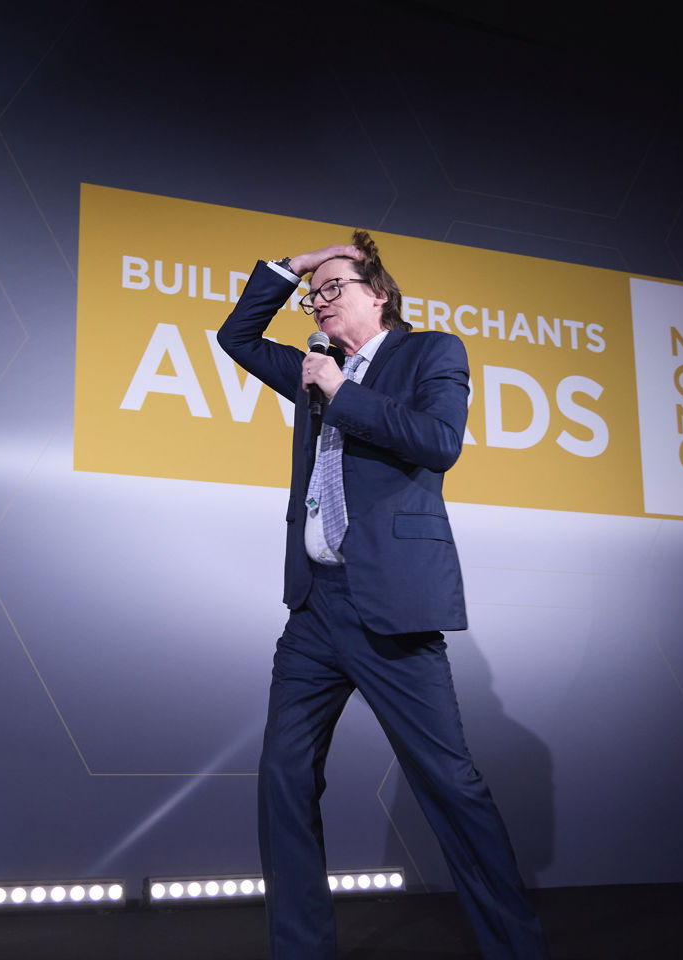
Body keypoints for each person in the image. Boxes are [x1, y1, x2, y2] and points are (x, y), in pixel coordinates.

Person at [217, 232, 547, 959]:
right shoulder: (314, 368)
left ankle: (517, 949)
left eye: (333, 287)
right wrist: (296, 265)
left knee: (449, 785)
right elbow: (235, 337)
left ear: (380, 293)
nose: (319, 302)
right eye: (313, 295)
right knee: (283, 778)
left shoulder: (430, 353)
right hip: (314, 609)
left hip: (392, 609)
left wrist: (343, 393)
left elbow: (439, 442)